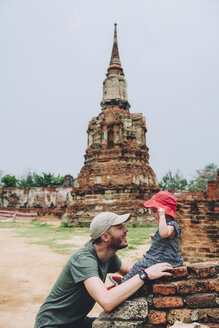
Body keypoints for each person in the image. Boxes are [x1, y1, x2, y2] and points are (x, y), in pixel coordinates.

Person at [34, 211, 173, 328]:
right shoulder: (84, 260)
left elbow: (131, 271)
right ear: (105, 237)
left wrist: (158, 249)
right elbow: (107, 301)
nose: (126, 229)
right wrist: (145, 275)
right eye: (119, 227)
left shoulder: (108, 256)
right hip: (53, 324)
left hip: (75, 322)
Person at [112, 191, 183, 286]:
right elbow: (164, 238)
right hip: (160, 257)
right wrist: (155, 239)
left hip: (164, 260)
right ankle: (126, 280)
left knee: (139, 266)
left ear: (165, 211)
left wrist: (161, 215)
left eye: (155, 212)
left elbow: (164, 233)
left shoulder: (172, 225)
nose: (153, 215)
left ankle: (121, 284)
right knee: (138, 266)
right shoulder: (167, 225)